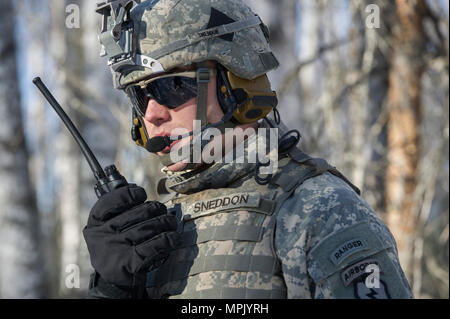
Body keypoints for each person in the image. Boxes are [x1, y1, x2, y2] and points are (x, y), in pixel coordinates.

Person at [83, 0, 413, 299]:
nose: (152, 113)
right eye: (140, 96)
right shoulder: (156, 229)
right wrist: (111, 289)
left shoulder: (318, 208)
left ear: (238, 83)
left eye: (172, 86)